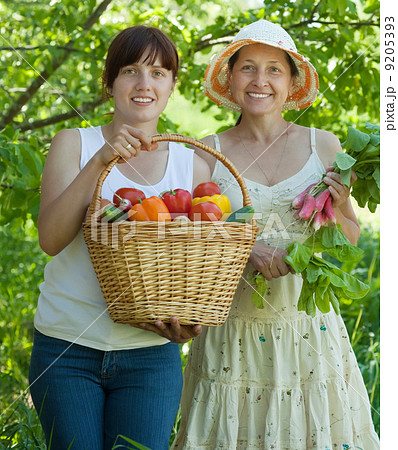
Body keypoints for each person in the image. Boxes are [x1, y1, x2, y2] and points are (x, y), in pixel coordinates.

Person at [171, 19, 380, 449]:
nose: (260, 81)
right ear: (230, 80)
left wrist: (339, 205)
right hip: (231, 333)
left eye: (274, 69)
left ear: (291, 83)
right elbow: (191, 242)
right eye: (248, 67)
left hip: (307, 329)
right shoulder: (206, 153)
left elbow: (351, 236)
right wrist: (245, 247)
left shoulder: (322, 145)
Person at [28, 25, 209, 450]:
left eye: (158, 72)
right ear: (110, 83)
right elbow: (51, 240)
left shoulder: (192, 165)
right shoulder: (73, 143)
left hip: (150, 355)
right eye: (130, 70)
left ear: (171, 85)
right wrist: (99, 162)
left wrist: (188, 322)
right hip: (66, 348)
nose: (144, 84)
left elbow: (193, 268)